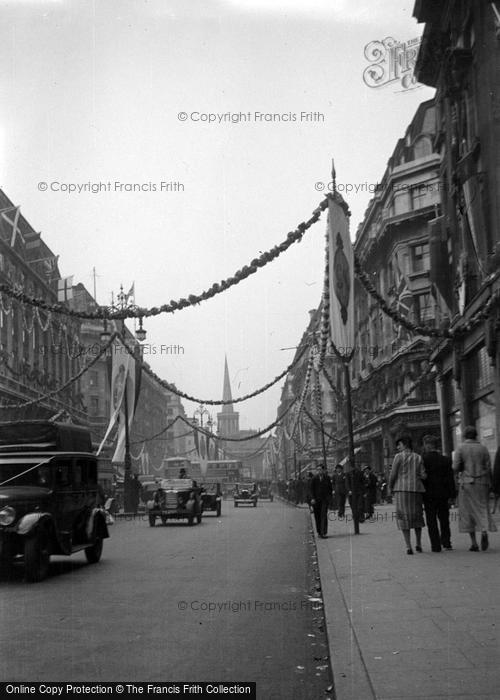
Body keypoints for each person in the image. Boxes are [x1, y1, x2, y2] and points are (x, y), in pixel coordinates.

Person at [453, 426, 497, 551]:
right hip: (482, 482)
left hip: (467, 483)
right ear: (476, 435)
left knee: (468, 512)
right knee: (482, 508)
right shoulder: (483, 448)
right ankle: (484, 530)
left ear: (464, 436)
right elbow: (489, 467)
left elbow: (455, 466)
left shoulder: (460, 448)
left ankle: (474, 543)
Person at [389, 434, 426, 554]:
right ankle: (419, 544)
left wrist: (390, 486)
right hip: (416, 490)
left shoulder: (398, 457)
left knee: (403, 518)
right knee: (417, 517)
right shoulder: (418, 457)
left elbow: (393, 474)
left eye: (399, 445)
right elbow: (424, 475)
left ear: (404, 444)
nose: (398, 447)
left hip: (401, 490)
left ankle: (408, 547)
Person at [421, 435, 456, 552]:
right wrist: (452, 495)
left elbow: (421, 478)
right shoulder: (445, 459)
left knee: (431, 521)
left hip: (428, 495)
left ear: (427, 445)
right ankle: (446, 542)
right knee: (444, 519)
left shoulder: (423, 460)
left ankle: (435, 545)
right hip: (443, 494)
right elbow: (450, 478)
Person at [310, 464, 333, 539]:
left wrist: (329, 498)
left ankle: (323, 532)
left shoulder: (327, 478)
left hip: (324, 500)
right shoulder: (314, 479)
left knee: (323, 515)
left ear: (323, 470)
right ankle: (319, 532)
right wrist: (312, 498)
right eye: (318, 470)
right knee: (317, 516)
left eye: (320, 469)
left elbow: (330, 489)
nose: (319, 471)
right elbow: (311, 490)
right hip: (316, 501)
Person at [346, 463, 365, 533]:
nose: (353, 468)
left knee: (360, 505)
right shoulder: (348, 474)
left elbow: (362, 482)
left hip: (359, 492)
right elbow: (347, 483)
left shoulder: (360, 473)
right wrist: (349, 490)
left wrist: (363, 491)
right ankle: (356, 517)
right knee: (353, 507)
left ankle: (360, 517)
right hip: (351, 493)